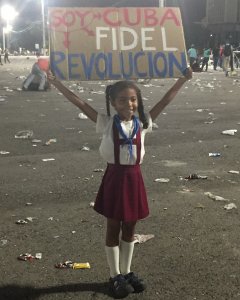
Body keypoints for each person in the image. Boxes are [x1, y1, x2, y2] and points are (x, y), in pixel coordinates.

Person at [48, 68, 192, 299]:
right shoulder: (106, 122)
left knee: (131, 227)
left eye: (133, 99)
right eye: (123, 100)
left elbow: (165, 100)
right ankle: (115, 274)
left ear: (139, 101)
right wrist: (56, 83)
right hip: (115, 178)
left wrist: (182, 80)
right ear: (113, 103)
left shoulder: (143, 122)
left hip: (134, 178)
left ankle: (126, 271)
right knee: (113, 226)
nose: (129, 104)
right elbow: (80, 103)